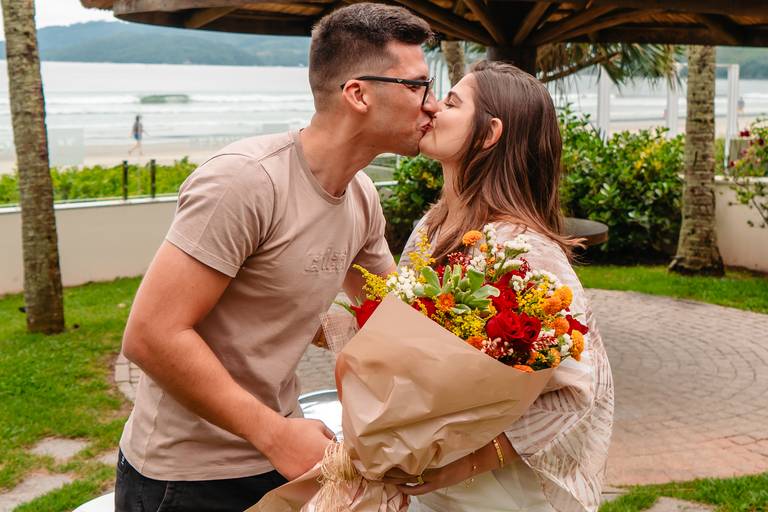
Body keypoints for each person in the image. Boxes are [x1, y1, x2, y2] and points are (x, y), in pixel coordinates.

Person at [114, 4, 436, 511]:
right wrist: (275, 434)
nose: (432, 105)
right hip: (186, 478)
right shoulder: (245, 182)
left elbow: (390, 320)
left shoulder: (361, 196)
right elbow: (151, 335)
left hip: (281, 456)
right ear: (358, 94)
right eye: (418, 86)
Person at [384, 61, 614, 512]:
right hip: (433, 474)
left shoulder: (523, 248)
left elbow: (574, 391)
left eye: (452, 102)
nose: (432, 106)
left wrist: (462, 465)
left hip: (497, 491)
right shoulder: (431, 227)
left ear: (489, 134)